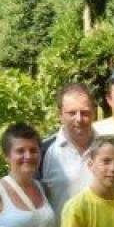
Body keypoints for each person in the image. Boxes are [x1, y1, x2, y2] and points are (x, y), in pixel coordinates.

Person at [40, 83, 97, 213]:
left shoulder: (109, 148)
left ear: (94, 113)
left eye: (85, 113)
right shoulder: (43, 152)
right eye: (72, 113)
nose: (79, 119)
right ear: (60, 115)